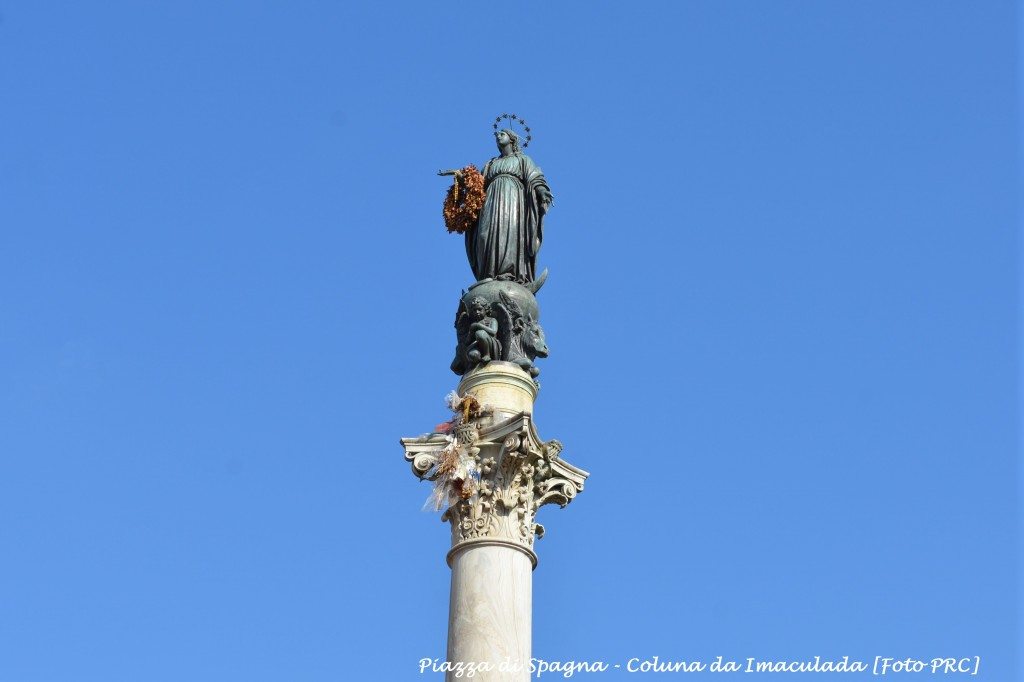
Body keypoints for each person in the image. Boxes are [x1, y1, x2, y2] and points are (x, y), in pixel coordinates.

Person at [440, 129, 553, 284]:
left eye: (502, 134)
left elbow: (535, 178)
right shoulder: (490, 164)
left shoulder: (522, 160)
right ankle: (488, 272)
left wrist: (542, 192)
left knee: (509, 231)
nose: (498, 136)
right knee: (484, 234)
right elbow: (477, 187)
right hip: (490, 200)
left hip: (513, 198)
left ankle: (509, 272)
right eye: (497, 135)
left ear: (512, 139)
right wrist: (462, 179)